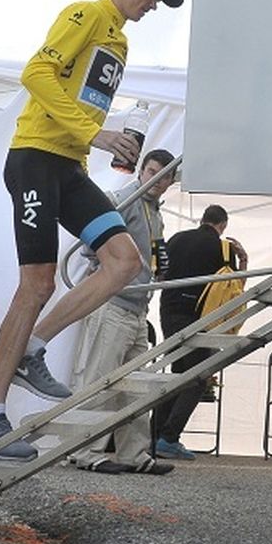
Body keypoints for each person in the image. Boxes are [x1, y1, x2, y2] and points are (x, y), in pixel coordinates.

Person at [0, 0, 184, 462]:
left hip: (70, 165)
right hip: (36, 158)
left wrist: (104, 134)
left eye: (160, 0)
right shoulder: (84, 13)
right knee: (36, 283)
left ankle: (33, 349)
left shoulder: (120, 40)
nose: (153, 5)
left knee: (125, 262)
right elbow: (36, 73)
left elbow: (80, 94)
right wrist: (96, 133)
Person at [69, 148, 177, 476]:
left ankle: (135, 453)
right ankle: (84, 451)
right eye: (152, 172)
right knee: (99, 379)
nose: (157, 180)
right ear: (142, 171)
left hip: (137, 307)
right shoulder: (125, 200)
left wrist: (156, 268)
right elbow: (90, 244)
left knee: (136, 383)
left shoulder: (154, 211)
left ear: (171, 180)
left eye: (164, 175)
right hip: (113, 304)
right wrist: (106, 269)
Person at [153, 204, 247, 460]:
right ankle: (169, 438)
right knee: (198, 377)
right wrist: (244, 262)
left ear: (203, 219)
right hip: (196, 315)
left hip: (167, 310)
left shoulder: (176, 239)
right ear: (222, 225)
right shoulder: (223, 247)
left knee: (177, 373)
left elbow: (160, 272)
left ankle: (155, 436)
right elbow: (232, 288)